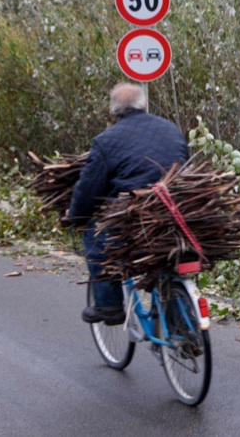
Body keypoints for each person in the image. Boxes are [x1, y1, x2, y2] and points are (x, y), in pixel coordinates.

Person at [64, 83, 189, 324]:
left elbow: (89, 188)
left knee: (96, 238)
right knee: (171, 260)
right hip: (178, 213)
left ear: (113, 111)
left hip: (133, 218)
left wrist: (77, 215)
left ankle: (109, 306)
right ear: (143, 104)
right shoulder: (172, 130)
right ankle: (180, 325)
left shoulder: (106, 141)